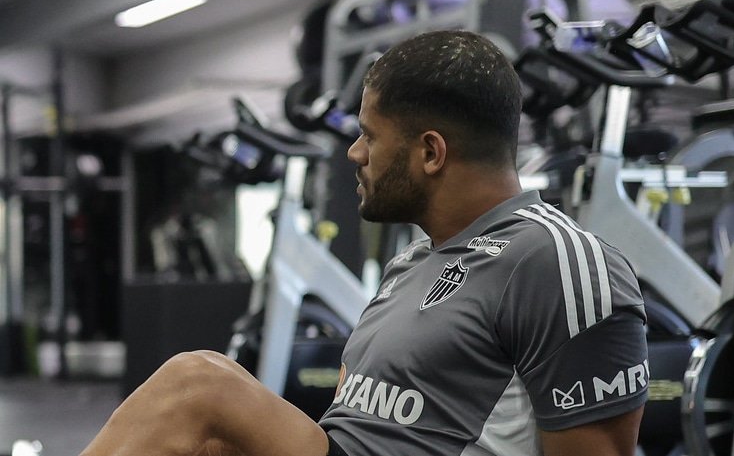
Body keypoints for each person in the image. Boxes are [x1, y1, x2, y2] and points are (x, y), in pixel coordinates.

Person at [80, 30, 647, 456]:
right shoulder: (411, 263)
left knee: (199, 382)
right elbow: (348, 421)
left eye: (369, 136)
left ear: (431, 153)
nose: (354, 153)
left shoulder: (555, 261)